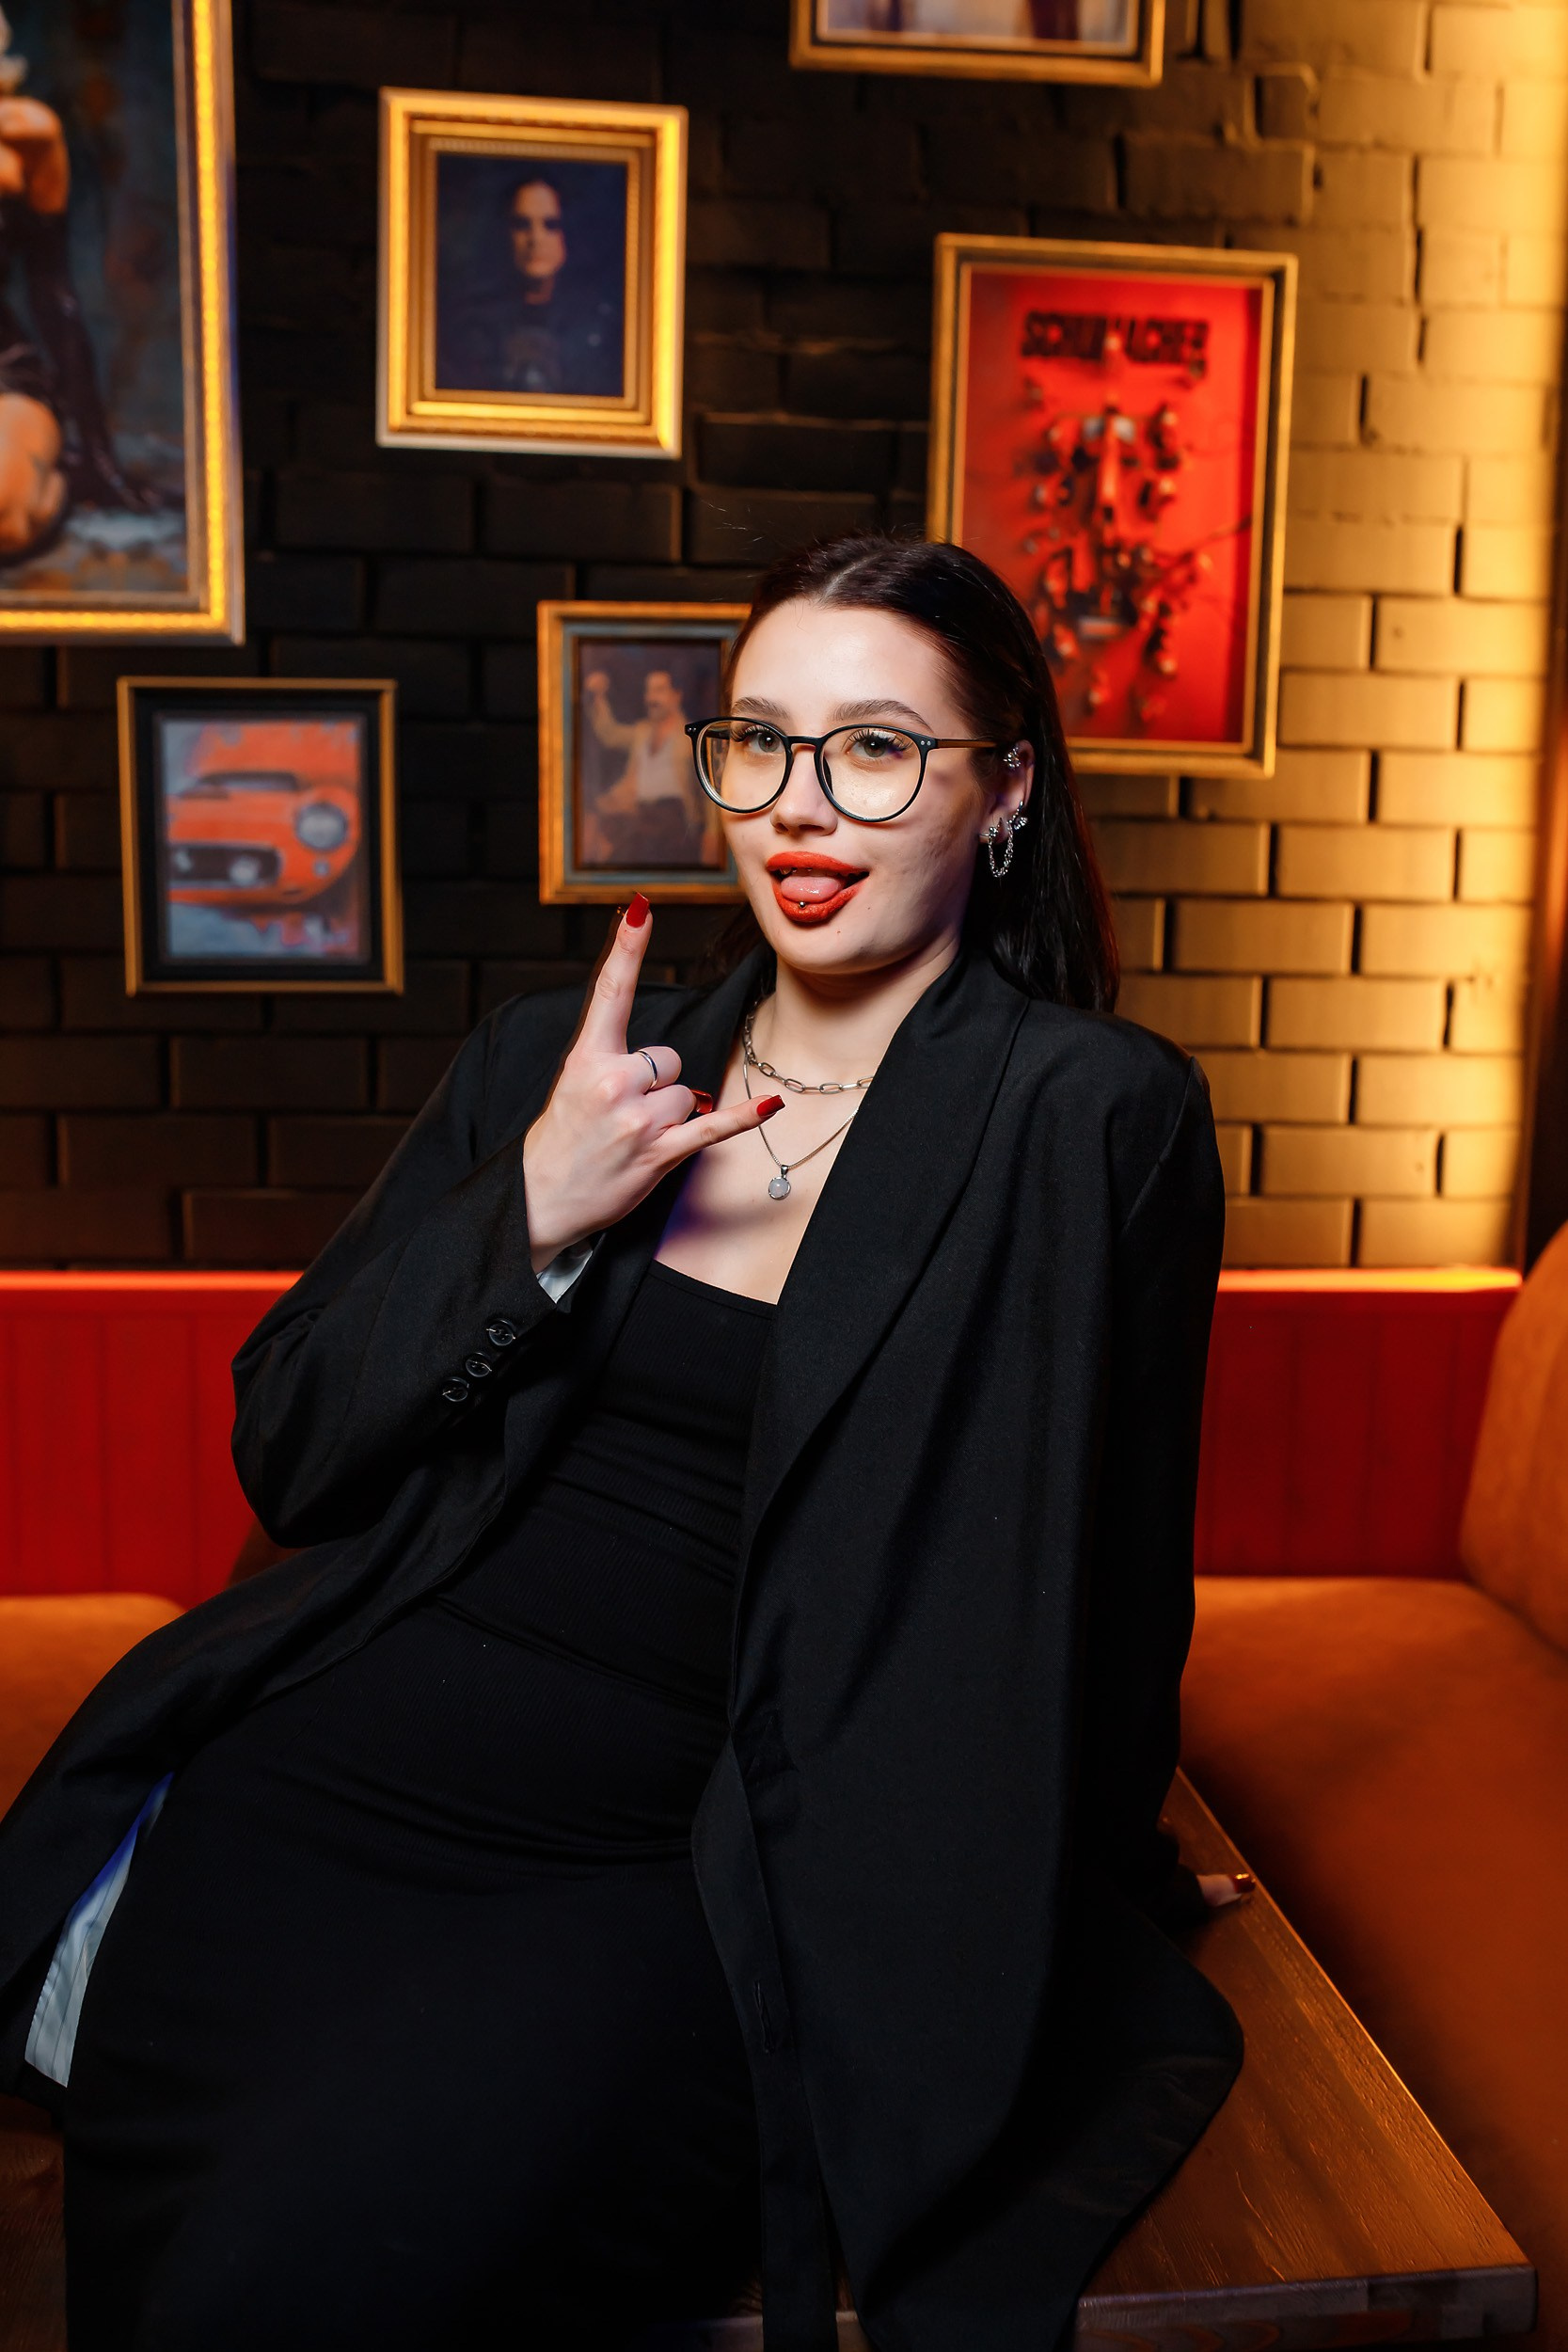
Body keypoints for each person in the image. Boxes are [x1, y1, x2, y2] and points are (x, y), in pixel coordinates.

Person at [0, 532, 1251, 2352]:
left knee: (333, 2264)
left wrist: (1085, 1874)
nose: (801, 803)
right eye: (761, 741)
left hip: (680, 1858)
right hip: (335, 1780)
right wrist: (534, 1205)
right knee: (176, 2256)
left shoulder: (1086, 1116)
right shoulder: (562, 1064)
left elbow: (1110, 1582)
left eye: (876, 748)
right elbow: (296, 1449)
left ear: (1003, 793)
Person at [0, 12, 157, 562]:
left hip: (3, 370)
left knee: (7, 519)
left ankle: (57, 468)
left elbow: (53, 293)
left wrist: (98, 454)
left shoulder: (26, 136)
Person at [437, 167, 624, 399]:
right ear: (506, 233)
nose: (535, 239)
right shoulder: (472, 322)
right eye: (522, 225)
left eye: (550, 225)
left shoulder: (599, 325)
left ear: (568, 231)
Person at [582, 661, 722, 868]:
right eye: (648, 691)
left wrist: (712, 833)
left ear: (676, 695)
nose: (651, 698)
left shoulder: (690, 738)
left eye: (659, 690)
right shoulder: (642, 731)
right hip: (639, 816)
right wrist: (598, 697)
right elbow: (609, 734)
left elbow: (708, 791)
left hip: (673, 820)